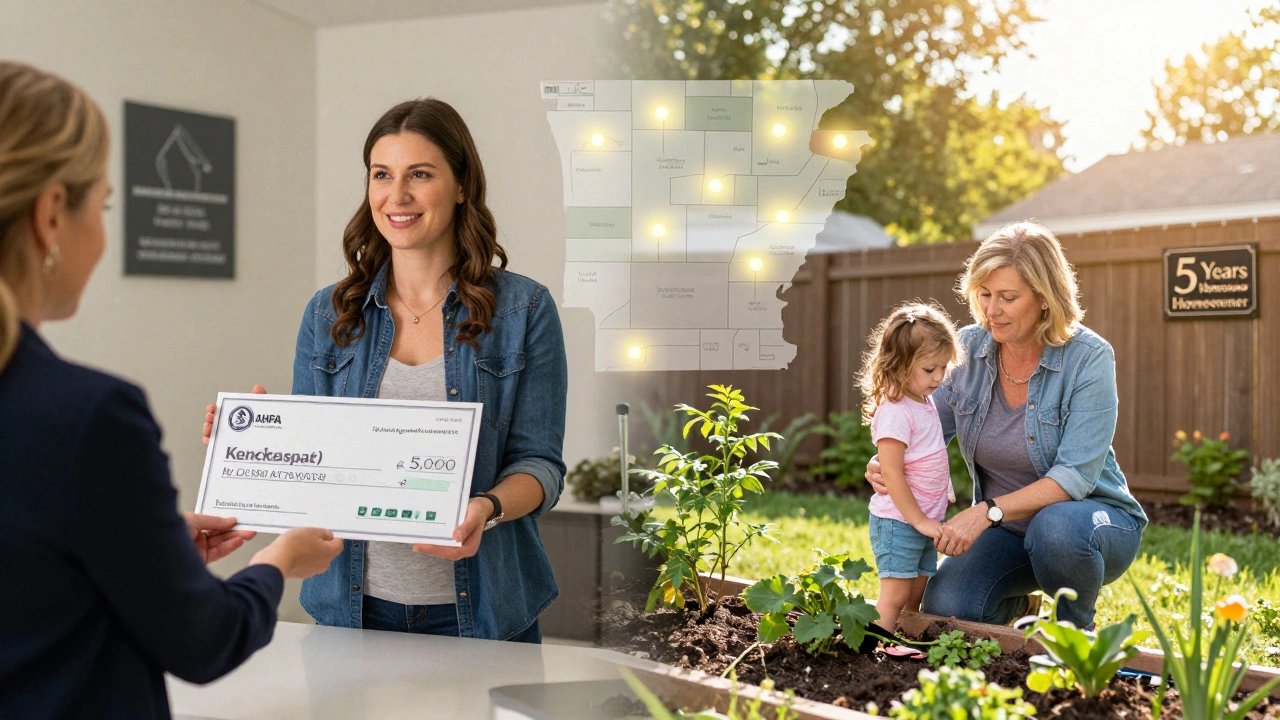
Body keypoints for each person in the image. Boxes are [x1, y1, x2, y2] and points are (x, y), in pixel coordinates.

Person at [0, 61, 343, 720]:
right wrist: (278, 562)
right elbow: (204, 641)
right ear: (50, 216)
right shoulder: (91, 417)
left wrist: (141, 542)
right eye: (103, 207)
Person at [204, 98, 568, 642]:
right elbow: (316, 465)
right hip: (350, 609)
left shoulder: (523, 310)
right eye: (382, 174)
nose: (397, 196)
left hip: (486, 612)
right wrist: (252, 444)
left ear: (461, 185)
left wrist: (486, 508)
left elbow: (540, 465)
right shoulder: (328, 313)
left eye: (419, 174)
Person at [865, 222, 1147, 629]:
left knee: (1056, 527)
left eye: (1008, 297)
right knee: (947, 607)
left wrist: (987, 512)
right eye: (984, 294)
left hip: (1091, 525)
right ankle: (1020, 610)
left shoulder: (1089, 358)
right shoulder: (966, 350)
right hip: (1008, 532)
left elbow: (1074, 477)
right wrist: (885, 462)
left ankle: (1074, 630)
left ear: (1044, 298)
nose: (991, 310)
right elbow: (921, 428)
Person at [857, 302, 963, 631]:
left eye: (943, 367)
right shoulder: (896, 410)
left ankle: (900, 643)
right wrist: (918, 519)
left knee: (917, 591)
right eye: (929, 369)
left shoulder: (923, 400)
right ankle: (870, 649)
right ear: (900, 364)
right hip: (900, 522)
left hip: (925, 521)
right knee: (895, 595)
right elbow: (891, 472)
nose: (938, 377)